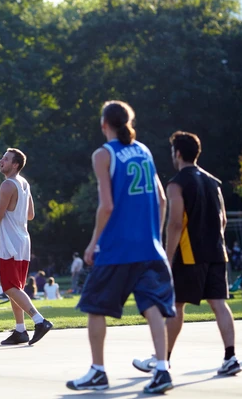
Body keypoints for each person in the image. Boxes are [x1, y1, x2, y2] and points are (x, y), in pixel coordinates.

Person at [66, 101, 175, 394]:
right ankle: (162, 369)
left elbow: (107, 206)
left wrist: (93, 244)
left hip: (117, 247)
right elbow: (162, 200)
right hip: (149, 246)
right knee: (152, 306)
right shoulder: (144, 151)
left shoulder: (103, 154)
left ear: (104, 124)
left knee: (94, 306)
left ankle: (98, 371)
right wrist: (156, 234)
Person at [133, 131, 242, 377]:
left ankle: (162, 360)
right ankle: (230, 357)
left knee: (175, 305)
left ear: (178, 153)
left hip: (188, 254)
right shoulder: (213, 182)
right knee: (219, 305)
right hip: (217, 252)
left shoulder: (176, 183)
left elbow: (174, 224)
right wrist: (215, 242)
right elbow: (222, 219)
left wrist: (167, 259)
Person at [0, 148, 53, 346]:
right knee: (16, 287)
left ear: (15, 164)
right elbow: (30, 214)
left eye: (6, 159)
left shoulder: (7, 185)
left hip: (11, 242)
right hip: (23, 240)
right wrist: (4, 211)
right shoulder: (24, 183)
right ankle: (20, 330)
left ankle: (39, 321)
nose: (1, 160)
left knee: (9, 287)